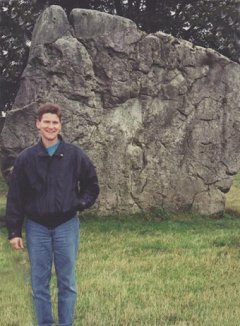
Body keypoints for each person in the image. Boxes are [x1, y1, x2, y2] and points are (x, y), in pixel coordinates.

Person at [5, 102, 100, 326]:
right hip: (36, 227)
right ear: (38, 124)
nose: (50, 126)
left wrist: (80, 203)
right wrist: (14, 231)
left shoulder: (75, 155)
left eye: (54, 122)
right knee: (39, 284)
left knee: (67, 282)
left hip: (66, 226)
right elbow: (15, 197)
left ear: (60, 125)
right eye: (46, 122)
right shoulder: (26, 159)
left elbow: (92, 185)